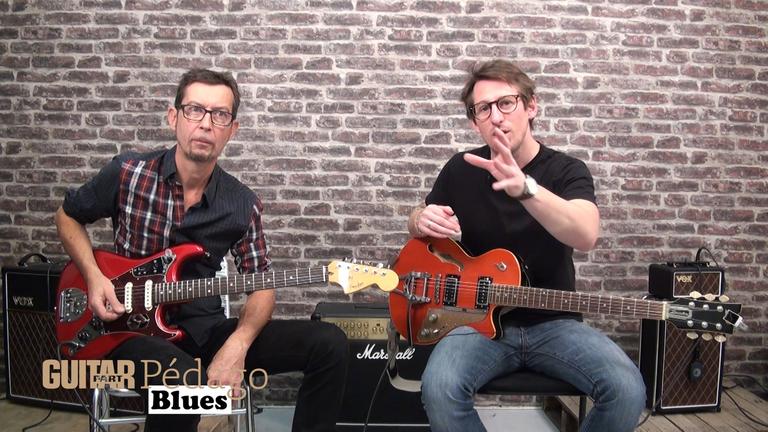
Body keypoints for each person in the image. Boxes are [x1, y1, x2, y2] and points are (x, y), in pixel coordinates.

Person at [55, 68, 348, 432]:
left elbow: (262, 284)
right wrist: (94, 277)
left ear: (232, 129)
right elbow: (67, 216)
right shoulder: (128, 173)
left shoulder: (241, 204)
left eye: (220, 115)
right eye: (195, 110)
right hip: (125, 331)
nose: (206, 124)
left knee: (329, 344)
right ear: (173, 117)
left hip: (204, 331)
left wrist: (237, 345)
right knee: (182, 381)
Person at [406, 60, 646, 432]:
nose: (496, 117)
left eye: (506, 103)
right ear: (474, 123)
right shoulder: (460, 168)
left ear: (531, 106)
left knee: (627, 390)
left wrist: (526, 189)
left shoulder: (567, 170)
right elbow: (422, 223)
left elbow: (585, 234)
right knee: (439, 388)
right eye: (483, 109)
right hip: (477, 323)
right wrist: (419, 219)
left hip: (555, 323)